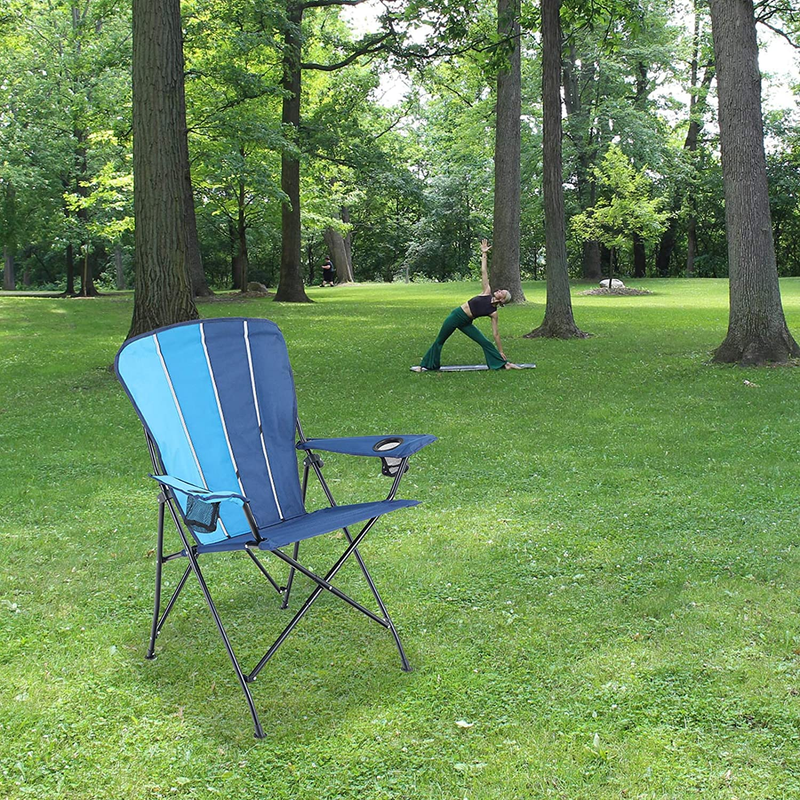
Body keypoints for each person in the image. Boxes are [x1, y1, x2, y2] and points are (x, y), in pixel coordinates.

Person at [412, 240, 521, 371]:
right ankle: (426, 366)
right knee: (440, 340)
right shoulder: (486, 292)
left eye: (501, 293)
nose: (498, 291)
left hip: (466, 322)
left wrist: (501, 351)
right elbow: (483, 272)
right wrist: (484, 254)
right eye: (499, 290)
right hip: (456, 316)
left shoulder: (493, 313)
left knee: (484, 342)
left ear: (502, 300)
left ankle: (504, 364)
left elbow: (495, 334)